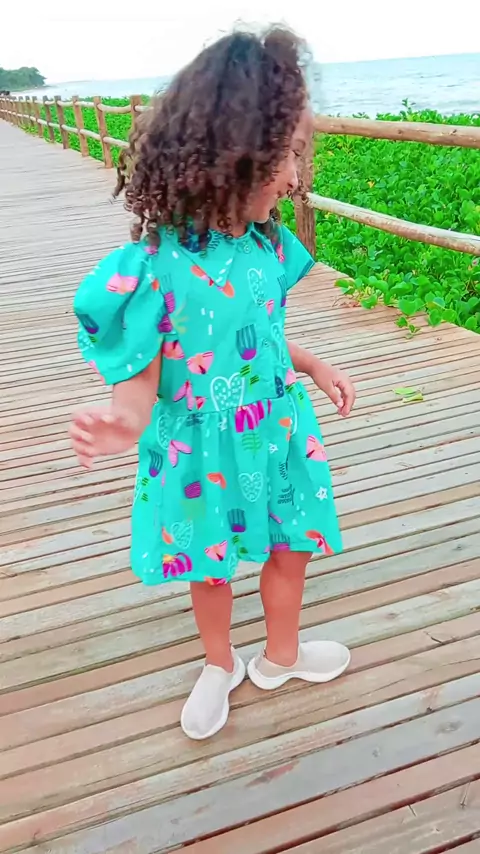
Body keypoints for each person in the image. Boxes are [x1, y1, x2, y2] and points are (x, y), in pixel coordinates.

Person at [70, 27, 356, 741]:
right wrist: (125, 419)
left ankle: (281, 655)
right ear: (235, 155)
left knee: (292, 545)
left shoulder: (265, 248)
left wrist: (311, 364)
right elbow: (143, 374)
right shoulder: (154, 267)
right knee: (211, 567)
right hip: (202, 448)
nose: (295, 178)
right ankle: (220, 662)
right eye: (286, 156)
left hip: (279, 429)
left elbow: (256, 334)